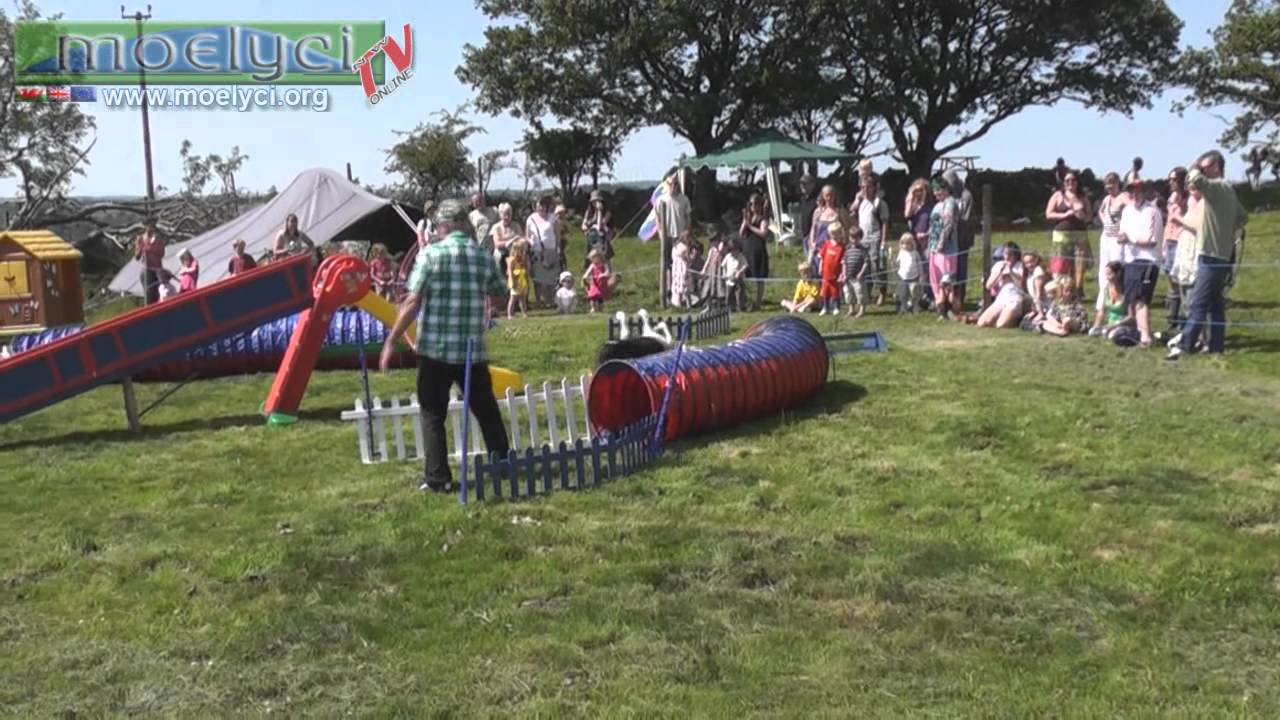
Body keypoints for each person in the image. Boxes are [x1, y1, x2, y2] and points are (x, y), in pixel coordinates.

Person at [380, 198, 511, 493]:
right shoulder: (481, 256)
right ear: (464, 223)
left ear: (445, 225)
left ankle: (438, 478)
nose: (437, 230)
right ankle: (503, 465)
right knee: (486, 411)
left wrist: (392, 341)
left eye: (438, 226)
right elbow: (501, 296)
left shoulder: (430, 255)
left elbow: (412, 301)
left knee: (432, 414)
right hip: (471, 351)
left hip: (435, 351)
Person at [1169, 150, 1249, 360]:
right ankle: (1216, 347)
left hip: (1210, 256)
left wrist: (1194, 163)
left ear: (1216, 168)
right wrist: (1225, 231)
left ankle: (1185, 346)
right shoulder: (1229, 191)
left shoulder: (1217, 187)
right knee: (1215, 306)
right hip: (1222, 256)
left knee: (1198, 303)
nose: (1202, 171)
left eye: (1206, 168)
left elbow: (1194, 178)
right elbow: (1243, 217)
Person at [1117, 178, 1163, 347]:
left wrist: (1130, 238)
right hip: (1130, 259)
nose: (1134, 194)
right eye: (1131, 191)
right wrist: (1122, 238)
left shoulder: (1152, 211)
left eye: (1137, 190)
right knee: (1133, 299)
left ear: (1144, 191)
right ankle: (1141, 332)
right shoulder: (1127, 210)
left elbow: (1151, 240)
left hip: (1148, 260)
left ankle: (1145, 337)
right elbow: (1122, 232)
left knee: (1142, 298)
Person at [1044, 170, 1092, 298]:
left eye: (1073, 180)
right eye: (1067, 180)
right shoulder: (1057, 196)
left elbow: (1089, 216)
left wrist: (1083, 217)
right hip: (1061, 234)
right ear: (1064, 183)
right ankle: (1062, 289)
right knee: (1061, 263)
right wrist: (1064, 215)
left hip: (1079, 234)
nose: (1070, 182)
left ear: (1077, 182)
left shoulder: (1083, 196)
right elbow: (1048, 214)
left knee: (1079, 264)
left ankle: (1078, 290)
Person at [1092, 172, 1128, 334]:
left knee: (1116, 272)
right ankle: (1102, 305)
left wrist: (1123, 227)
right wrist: (1105, 220)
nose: (1109, 187)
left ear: (1117, 183)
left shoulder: (1123, 197)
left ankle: (1120, 306)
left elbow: (1132, 210)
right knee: (1103, 272)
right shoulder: (1107, 199)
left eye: (1112, 184)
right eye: (1107, 184)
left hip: (1116, 240)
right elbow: (1100, 211)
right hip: (1105, 238)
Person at [851, 173, 890, 306]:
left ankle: (882, 293)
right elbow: (851, 212)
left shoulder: (880, 203)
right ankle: (867, 294)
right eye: (862, 188)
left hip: (876, 239)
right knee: (864, 268)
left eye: (868, 187)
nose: (865, 190)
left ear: (874, 187)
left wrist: (883, 242)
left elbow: (885, 223)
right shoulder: (861, 202)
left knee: (877, 267)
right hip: (863, 239)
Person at [654, 172, 692, 305]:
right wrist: (660, 233)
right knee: (666, 264)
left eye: (675, 184)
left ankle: (682, 293)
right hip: (666, 236)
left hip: (680, 237)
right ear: (666, 185)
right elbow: (658, 218)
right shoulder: (661, 200)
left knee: (681, 265)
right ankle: (668, 292)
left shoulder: (684, 199)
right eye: (670, 184)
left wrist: (686, 233)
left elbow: (688, 217)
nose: (673, 186)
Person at [927, 178, 961, 320]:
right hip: (934, 248)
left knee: (946, 281)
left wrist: (941, 242)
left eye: (939, 189)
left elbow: (948, 224)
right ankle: (940, 310)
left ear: (946, 189)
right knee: (935, 280)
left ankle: (949, 310)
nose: (936, 193)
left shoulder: (950, 203)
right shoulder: (937, 205)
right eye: (934, 190)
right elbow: (934, 225)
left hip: (947, 249)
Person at [1162, 167, 1190, 330]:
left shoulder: (1188, 198)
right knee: (1171, 279)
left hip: (1181, 240)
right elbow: (1169, 221)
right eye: (1170, 179)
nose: (1171, 182)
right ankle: (1172, 317)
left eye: (1174, 179)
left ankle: (1183, 317)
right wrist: (1164, 242)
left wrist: (1180, 206)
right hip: (1170, 239)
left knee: (1181, 280)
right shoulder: (1172, 197)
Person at [943, 168, 975, 307]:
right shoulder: (948, 196)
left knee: (961, 269)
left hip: (962, 239)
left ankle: (960, 298)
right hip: (950, 240)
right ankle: (948, 298)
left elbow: (966, 218)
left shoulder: (966, 196)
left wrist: (953, 224)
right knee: (949, 270)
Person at [977, 242, 1025, 329]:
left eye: (1010, 254)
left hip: (1014, 298)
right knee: (982, 323)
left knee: (1001, 325)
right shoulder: (998, 265)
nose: (1007, 257)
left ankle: (1015, 318)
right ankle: (1002, 316)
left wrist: (1011, 272)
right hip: (1001, 298)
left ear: (1015, 255)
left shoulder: (1020, 266)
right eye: (1006, 254)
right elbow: (988, 286)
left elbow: (1022, 282)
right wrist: (999, 273)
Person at [525, 195, 560, 307]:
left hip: (550, 250)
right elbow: (527, 235)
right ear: (535, 207)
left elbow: (557, 234)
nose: (541, 208)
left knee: (551, 277)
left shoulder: (553, 217)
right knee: (538, 278)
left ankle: (551, 300)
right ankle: (539, 301)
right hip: (536, 251)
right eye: (539, 206)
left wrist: (557, 249)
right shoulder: (530, 219)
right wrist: (529, 241)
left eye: (543, 205)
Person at [739, 193, 772, 310]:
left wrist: (750, 226)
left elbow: (763, 233)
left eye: (755, 204)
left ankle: (758, 301)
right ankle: (748, 300)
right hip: (747, 248)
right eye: (751, 204)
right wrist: (745, 222)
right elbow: (741, 233)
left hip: (758, 249)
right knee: (747, 274)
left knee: (759, 276)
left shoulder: (763, 219)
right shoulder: (749, 217)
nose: (753, 206)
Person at [904, 178, 933, 308]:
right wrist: (912, 195)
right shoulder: (913, 205)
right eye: (917, 190)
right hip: (914, 242)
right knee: (915, 269)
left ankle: (928, 295)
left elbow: (935, 223)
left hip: (927, 240)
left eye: (921, 190)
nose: (919, 193)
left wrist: (927, 234)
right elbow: (907, 214)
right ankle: (917, 296)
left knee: (927, 270)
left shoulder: (931, 206)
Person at [808, 184, 842, 277]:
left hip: (833, 249)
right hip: (819, 247)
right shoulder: (818, 212)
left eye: (831, 195)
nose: (829, 198)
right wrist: (812, 242)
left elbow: (845, 230)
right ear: (823, 196)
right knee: (816, 273)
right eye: (827, 195)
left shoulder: (839, 212)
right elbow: (813, 228)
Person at [133, 219, 165, 305]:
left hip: (158, 268)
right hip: (147, 269)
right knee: (149, 293)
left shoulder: (158, 238)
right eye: (149, 225)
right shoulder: (141, 239)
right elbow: (137, 257)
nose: (152, 227)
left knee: (162, 291)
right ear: (145, 226)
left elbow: (162, 253)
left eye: (153, 225)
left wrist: (149, 248)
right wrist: (140, 247)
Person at [818, 220, 847, 315]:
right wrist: (820, 266)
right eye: (832, 234)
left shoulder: (841, 247)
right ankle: (825, 308)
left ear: (840, 234)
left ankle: (836, 307)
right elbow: (822, 257)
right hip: (825, 273)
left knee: (835, 292)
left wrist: (843, 273)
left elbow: (843, 262)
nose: (834, 236)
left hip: (835, 274)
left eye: (836, 233)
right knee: (825, 292)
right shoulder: (827, 244)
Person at [842, 223, 869, 318]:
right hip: (848, 277)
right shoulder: (847, 249)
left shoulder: (863, 250)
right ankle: (851, 309)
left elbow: (866, 262)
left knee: (860, 293)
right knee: (849, 294)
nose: (854, 240)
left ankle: (862, 309)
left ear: (860, 238)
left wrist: (861, 273)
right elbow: (844, 263)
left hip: (858, 278)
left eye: (856, 238)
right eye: (852, 238)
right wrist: (843, 274)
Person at [581, 190, 614, 268]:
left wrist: (599, 211)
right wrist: (586, 227)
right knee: (591, 260)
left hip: (602, 240)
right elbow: (583, 225)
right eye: (593, 202)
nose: (595, 204)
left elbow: (600, 226)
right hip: (592, 239)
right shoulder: (589, 211)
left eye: (597, 201)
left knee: (605, 262)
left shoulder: (607, 212)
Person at [894, 233, 923, 315]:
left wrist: (921, 275)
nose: (905, 246)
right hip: (903, 277)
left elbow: (920, 265)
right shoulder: (901, 252)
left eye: (907, 244)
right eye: (903, 243)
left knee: (914, 294)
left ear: (912, 244)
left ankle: (915, 307)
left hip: (914, 277)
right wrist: (893, 262)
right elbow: (897, 263)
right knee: (903, 294)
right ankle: (904, 308)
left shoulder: (915, 253)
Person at [720, 238, 749, 311]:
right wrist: (724, 274)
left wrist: (740, 272)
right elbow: (723, 266)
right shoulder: (728, 256)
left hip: (739, 279)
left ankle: (741, 306)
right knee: (729, 294)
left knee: (739, 294)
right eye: (732, 250)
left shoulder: (741, 256)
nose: (734, 252)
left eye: (735, 250)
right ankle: (731, 307)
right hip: (729, 280)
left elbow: (745, 265)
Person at [583, 248, 615, 313]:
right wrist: (586, 276)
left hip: (601, 283)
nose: (595, 259)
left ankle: (600, 308)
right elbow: (587, 273)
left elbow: (607, 272)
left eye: (596, 257)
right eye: (593, 257)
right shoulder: (592, 265)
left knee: (600, 297)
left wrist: (603, 275)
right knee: (592, 296)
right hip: (594, 283)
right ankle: (593, 308)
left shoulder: (604, 264)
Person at [490, 202, 519, 274]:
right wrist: (512, 240)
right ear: (500, 215)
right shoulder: (496, 227)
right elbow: (497, 244)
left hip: (514, 257)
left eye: (509, 214)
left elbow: (521, 239)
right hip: (500, 257)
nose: (507, 217)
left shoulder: (516, 225)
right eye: (504, 214)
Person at [506, 237, 531, 319]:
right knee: (513, 298)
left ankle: (524, 313)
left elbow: (525, 270)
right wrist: (512, 281)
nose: (522, 252)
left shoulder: (522, 259)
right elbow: (509, 272)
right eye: (520, 250)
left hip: (521, 280)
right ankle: (510, 314)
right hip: (515, 280)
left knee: (523, 298)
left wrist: (527, 280)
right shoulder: (511, 260)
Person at [796, 174, 818, 255]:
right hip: (804, 234)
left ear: (812, 185)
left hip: (814, 235)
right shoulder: (802, 199)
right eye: (801, 184)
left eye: (805, 184)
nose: (802, 186)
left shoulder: (817, 199)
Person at [670, 231, 691, 308]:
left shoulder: (675, 247)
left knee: (678, 286)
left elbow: (673, 257)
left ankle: (678, 304)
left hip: (675, 267)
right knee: (684, 286)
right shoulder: (685, 247)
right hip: (682, 267)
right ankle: (688, 305)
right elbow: (687, 258)